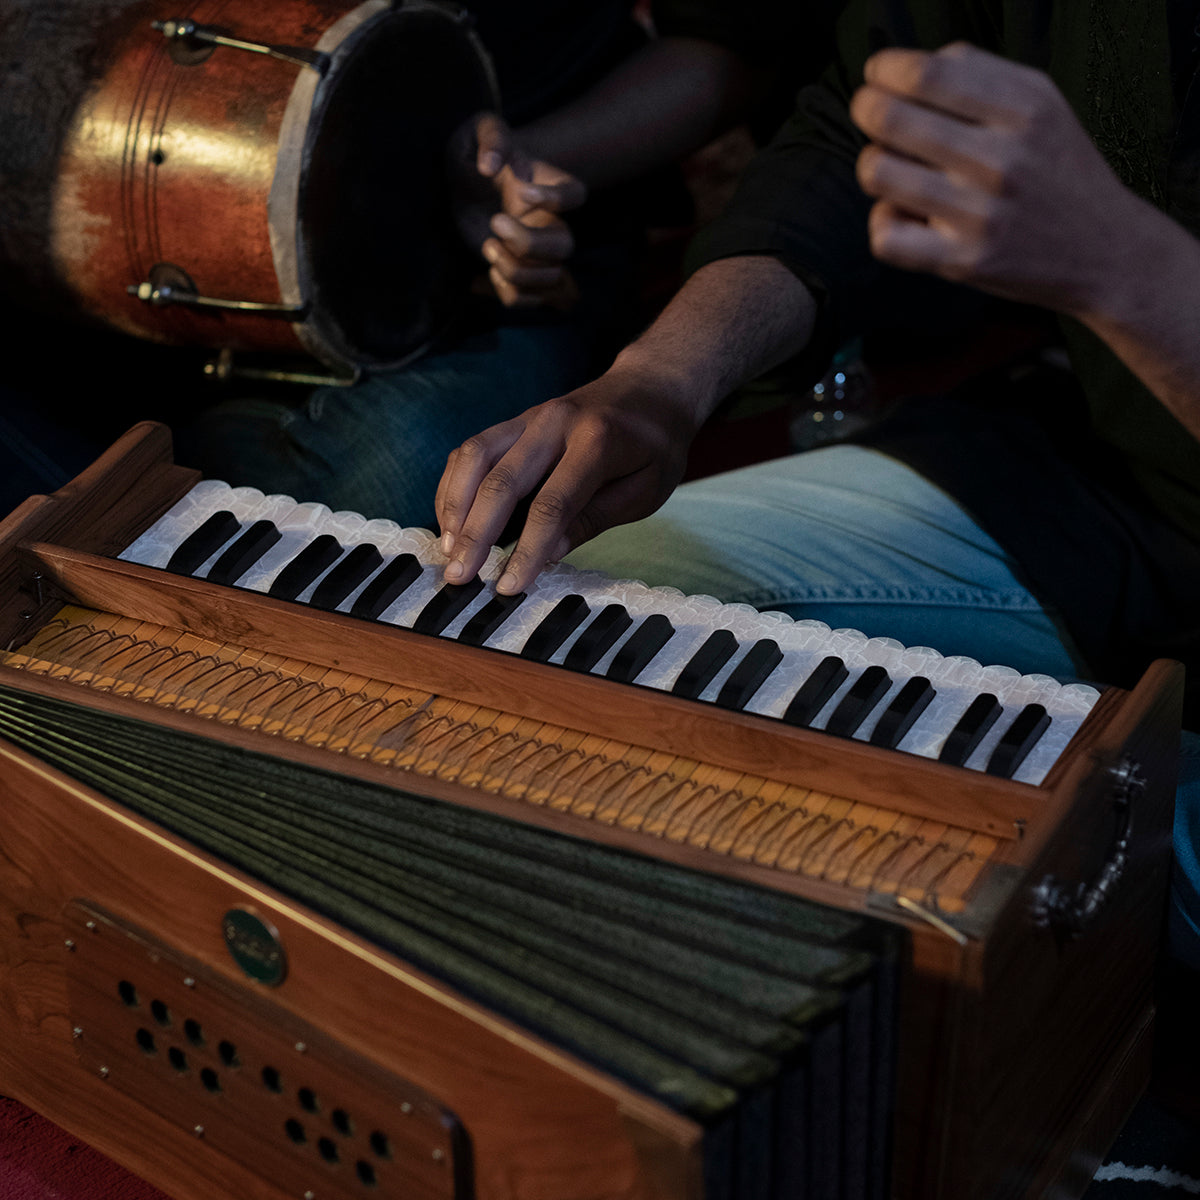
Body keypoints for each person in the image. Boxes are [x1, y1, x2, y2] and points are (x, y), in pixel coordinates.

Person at [432, 0, 1200, 977]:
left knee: (972, 890)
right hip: (1105, 477)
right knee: (580, 634)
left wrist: (1118, 262)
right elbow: (865, 127)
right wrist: (664, 375)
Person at [176, 0, 844, 531]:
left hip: (508, 263)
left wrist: (513, 168)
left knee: (413, 476)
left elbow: (730, 53)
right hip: (173, 239)